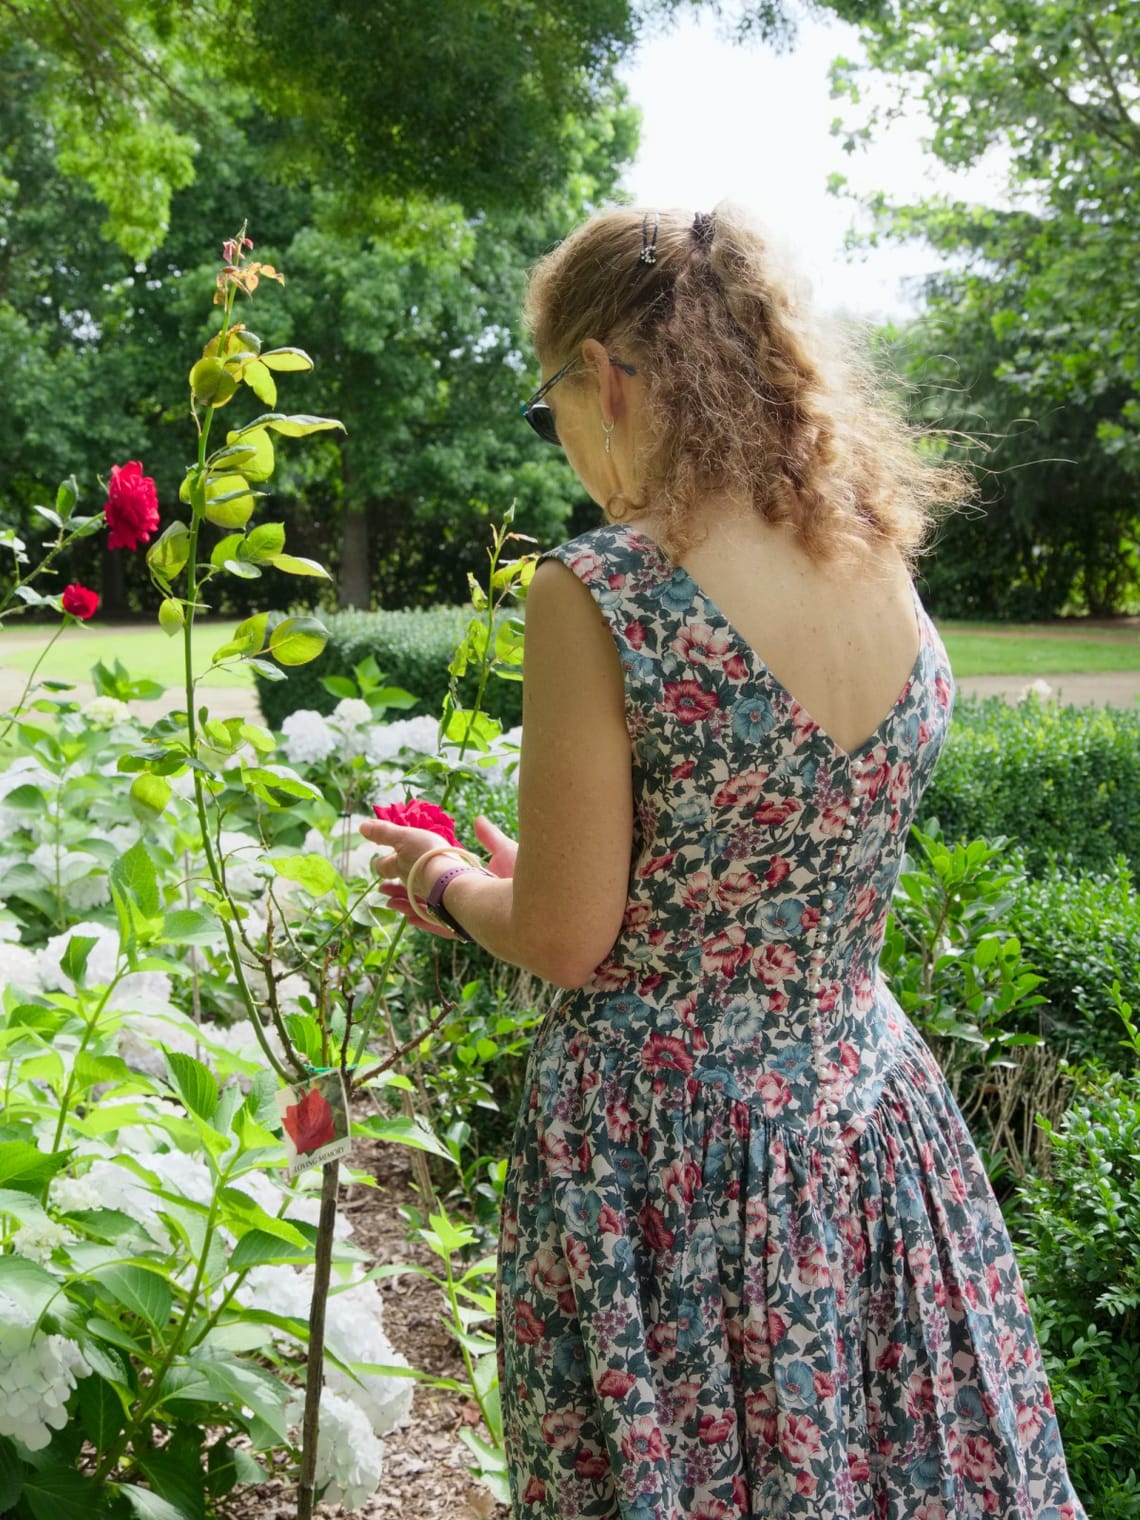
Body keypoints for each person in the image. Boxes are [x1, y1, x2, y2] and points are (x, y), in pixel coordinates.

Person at [360, 205, 1087, 1520]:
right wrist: (562, 880)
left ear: (609, 377)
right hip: (869, 1115)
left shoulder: (601, 589)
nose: (567, 447)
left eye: (551, 409)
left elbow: (572, 942)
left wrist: (446, 888)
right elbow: (763, 856)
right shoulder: (882, 569)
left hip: (667, 1151)